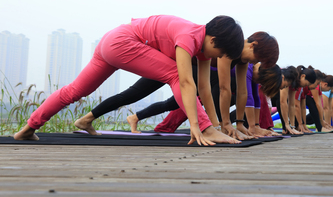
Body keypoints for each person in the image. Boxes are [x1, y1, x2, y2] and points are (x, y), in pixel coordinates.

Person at [14, 15, 244, 146]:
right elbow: (185, 82)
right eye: (221, 53)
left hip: (110, 41)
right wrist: (199, 126)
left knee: (74, 90)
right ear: (213, 41)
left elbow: (203, 87)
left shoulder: (202, 46)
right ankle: (205, 128)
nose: (219, 59)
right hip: (122, 42)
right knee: (175, 73)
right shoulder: (188, 37)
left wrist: (215, 127)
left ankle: (27, 129)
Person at [75, 31, 279, 140]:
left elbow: (242, 92)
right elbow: (225, 89)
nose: (254, 64)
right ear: (253, 45)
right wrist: (224, 125)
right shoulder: (231, 49)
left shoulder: (243, 60)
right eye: (256, 58)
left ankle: (89, 119)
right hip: (170, 64)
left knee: (169, 103)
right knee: (133, 94)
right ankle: (87, 118)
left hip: (188, 74)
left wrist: (240, 124)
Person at [128, 62, 283, 137]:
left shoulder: (252, 74)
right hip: (202, 79)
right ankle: (135, 117)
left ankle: (135, 117)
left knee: (171, 103)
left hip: (211, 86)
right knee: (170, 104)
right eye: (261, 81)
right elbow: (247, 97)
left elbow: (254, 99)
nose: (259, 84)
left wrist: (254, 126)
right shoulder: (248, 68)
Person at [275, 65, 315, 135]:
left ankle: (290, 126)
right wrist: (286, 125)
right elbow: (282, 102)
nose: (305, 86)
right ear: (303, 76)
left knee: (289, 103)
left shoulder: (295, 84)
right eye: (306, 84)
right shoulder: (289, 77)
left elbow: (292, 105)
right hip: (273, 95)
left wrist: (292, 126)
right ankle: (285, 127)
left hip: (276, 96)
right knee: (281, 100)